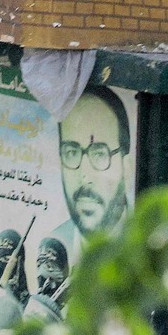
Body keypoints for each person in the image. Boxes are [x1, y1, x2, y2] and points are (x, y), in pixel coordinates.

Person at [52, 86, 131, 257]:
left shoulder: (151, 244)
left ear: (127, 166)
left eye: (99, 154)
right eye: (71, 153)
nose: (85, 177)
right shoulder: (51, 244)